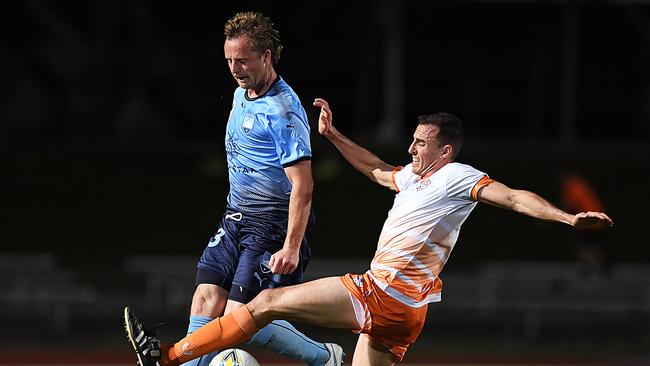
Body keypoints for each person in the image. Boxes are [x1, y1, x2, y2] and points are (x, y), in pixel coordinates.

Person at [125, 98, 614, 366]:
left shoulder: (456, 177)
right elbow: (379, 170)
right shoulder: (415, 178)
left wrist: (568, 219)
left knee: (264, 304)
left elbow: (512, 196)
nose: (413, 148)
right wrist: (335, 137)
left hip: (380, 294)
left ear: (446, 152)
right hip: (408, 314)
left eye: (422, 143)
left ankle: (168, 357)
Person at [157, 12, 343, 366]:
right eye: (228, 60)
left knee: (245, 320)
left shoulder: (284, 111)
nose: (234, 68)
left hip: (271, 224)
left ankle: (324, 357)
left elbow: (303, 185)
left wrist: (290, 245)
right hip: (235, 218)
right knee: (205, 301)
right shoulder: (241, 92)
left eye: (241, 60)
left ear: (266, 57)